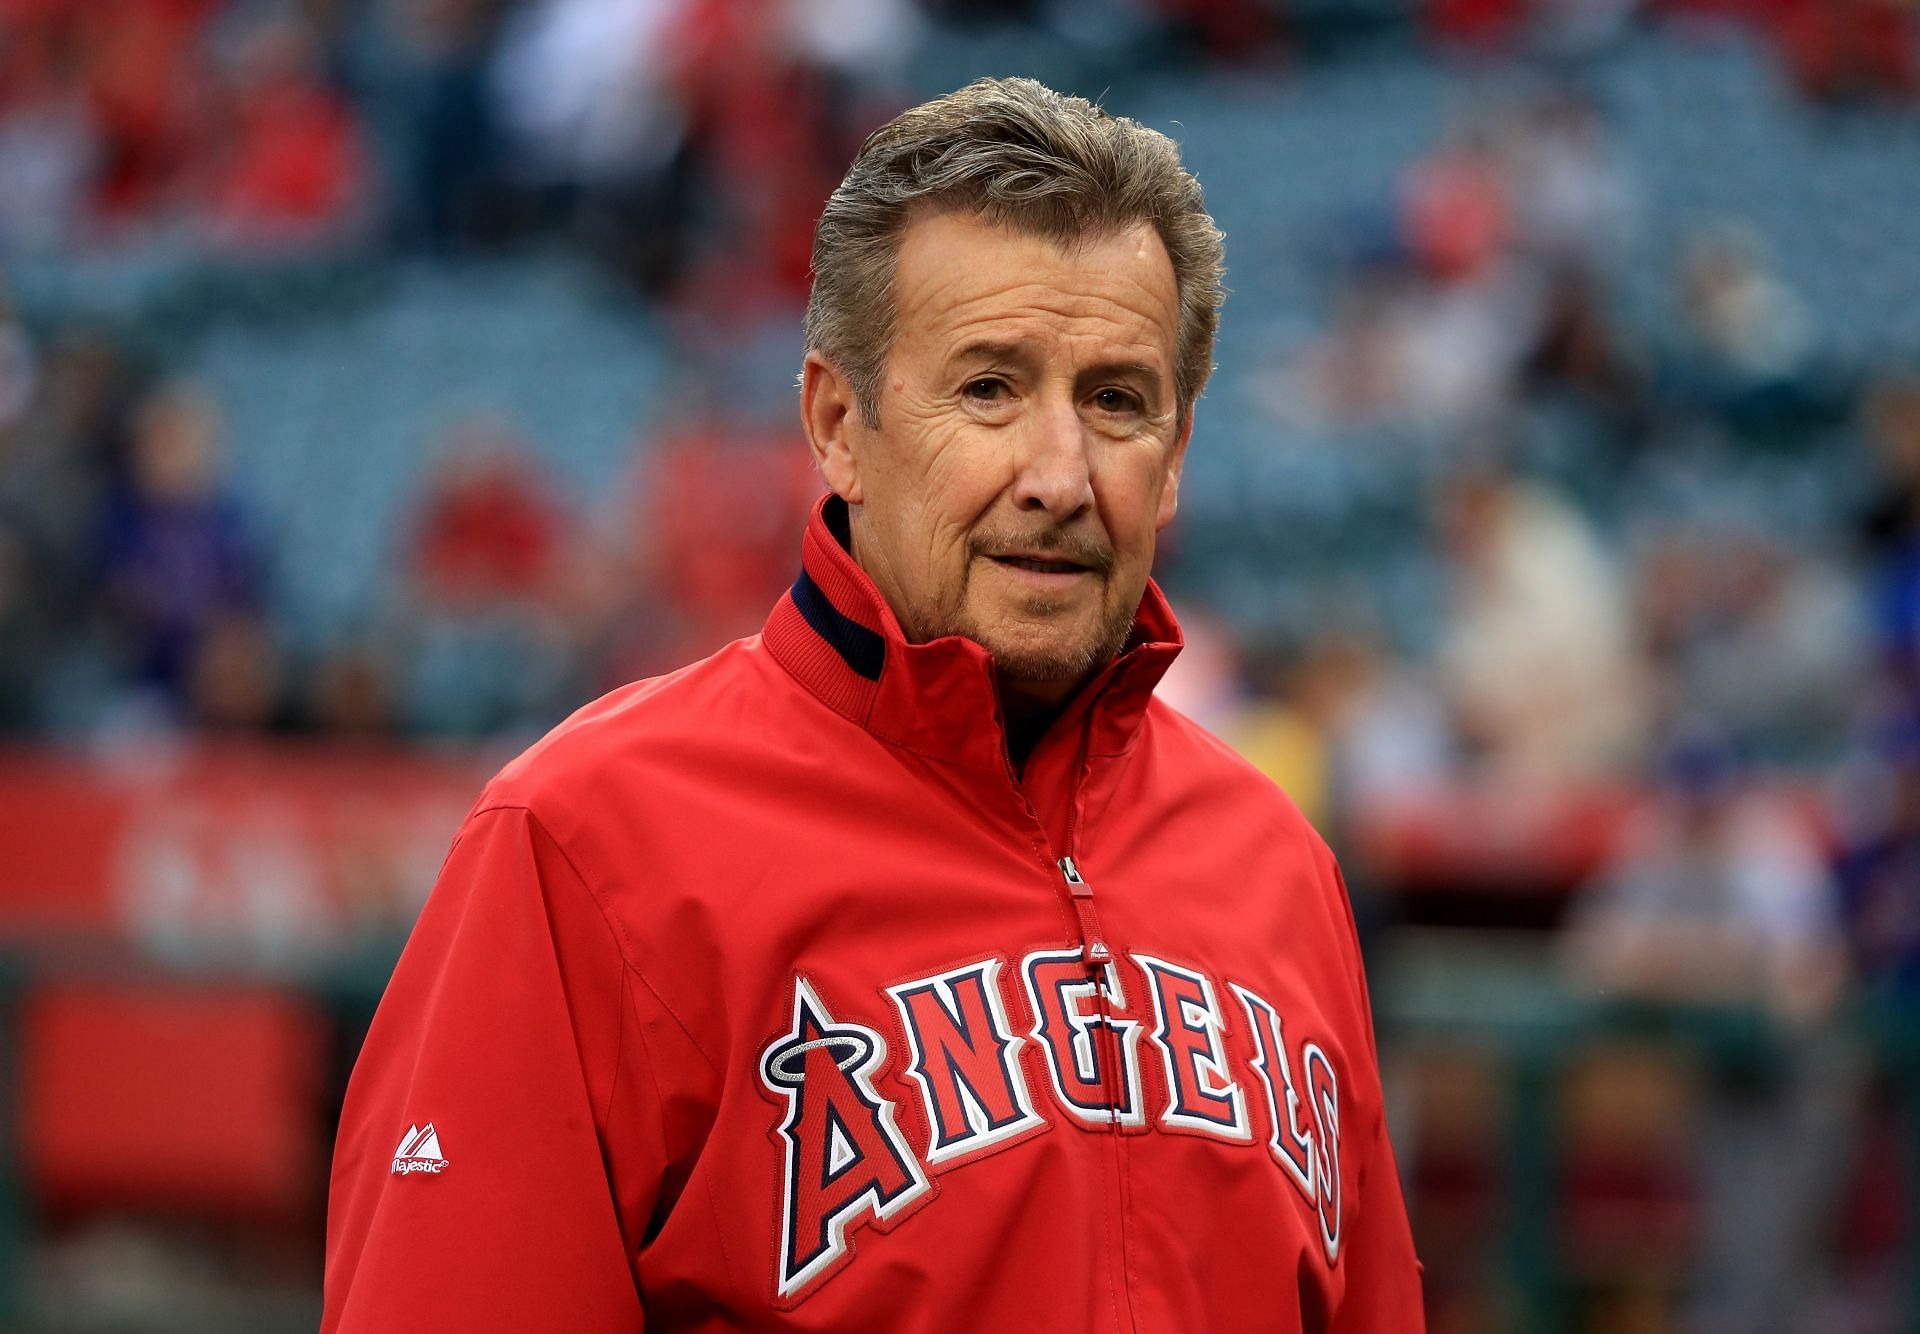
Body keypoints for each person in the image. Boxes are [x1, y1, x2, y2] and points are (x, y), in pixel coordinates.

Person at [323, 77, 1424, 1331]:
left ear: (1173, 459)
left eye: (1116, 400)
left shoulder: (1278, 861)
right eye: (990, 389)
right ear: (839, 424)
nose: (1060, 475)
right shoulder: (582, 842)